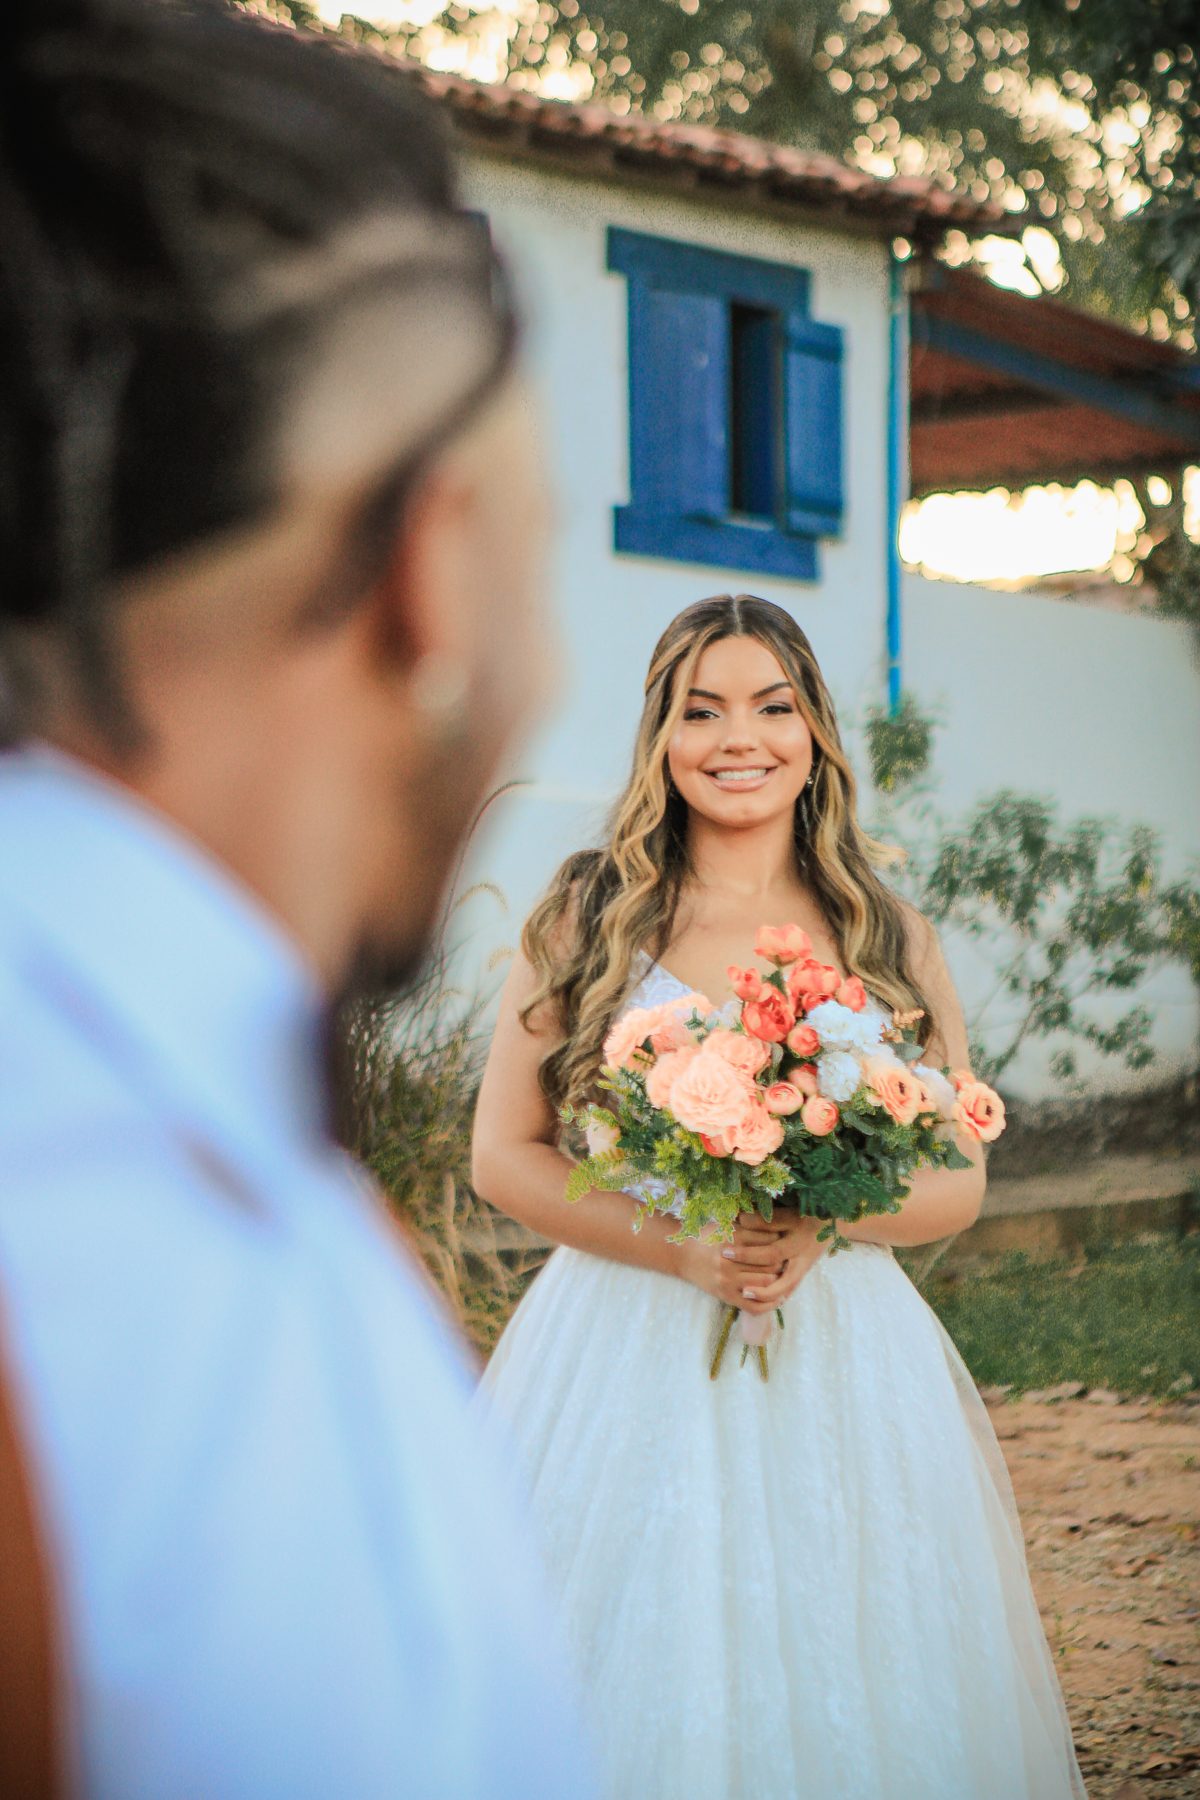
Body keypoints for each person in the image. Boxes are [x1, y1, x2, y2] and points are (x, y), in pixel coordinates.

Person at [0, 3, 594, 1796]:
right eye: (539, 550)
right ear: (426, 565)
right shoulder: (78, 1232)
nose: (551, 660)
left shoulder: (267, 1159)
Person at [473, 594, 1086, 1800]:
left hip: (845, 1357)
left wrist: (824, 1217)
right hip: (620, 1342)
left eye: (772, 705)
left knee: (847, 1635)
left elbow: (958, 1177)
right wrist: (683, 1248)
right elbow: (506, 1155)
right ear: (660, 734)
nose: (736, 737)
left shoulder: (885, 933)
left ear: (816, 733)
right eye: (700, 710)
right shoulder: (586, 920)